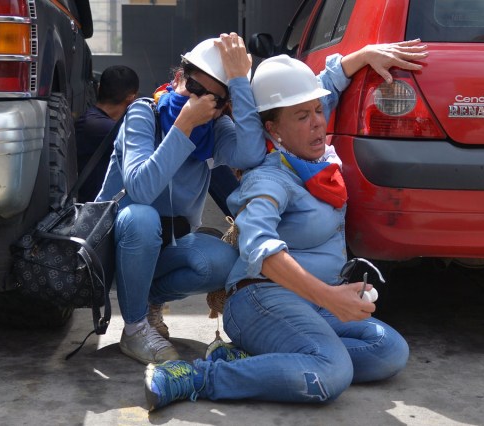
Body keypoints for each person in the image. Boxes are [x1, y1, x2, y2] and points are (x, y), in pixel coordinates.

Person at [143, 33, 429, 409]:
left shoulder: (315, 155)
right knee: (332, 372)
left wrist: (364, 54)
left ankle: (259, 361)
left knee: (388, 350)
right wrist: (330, 297)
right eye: (302, 116)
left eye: (318, 111)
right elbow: (259, 248)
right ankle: (197, 377)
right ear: (273, 129)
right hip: (261, 299)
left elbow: (315, 89)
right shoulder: (270, 177)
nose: (317, 123)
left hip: (312, 302)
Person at [95, 36, 266, 364]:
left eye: (210, 97)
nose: (197, 100)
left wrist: (240, 84)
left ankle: (148, 302)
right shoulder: (143, 115)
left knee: (223, 261)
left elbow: (252, 153)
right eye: (192, 87)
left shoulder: (216, 129)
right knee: (141, 217)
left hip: (169, 246)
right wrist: (185, 123)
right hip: (119, 248)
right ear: (177, 78)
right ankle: (133, 328)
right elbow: (142, 189)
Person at [75, 65, 139, 202]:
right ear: (132, 98)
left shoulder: (91, 121)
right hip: (94, 216)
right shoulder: (100, 127)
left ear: (99, 89)